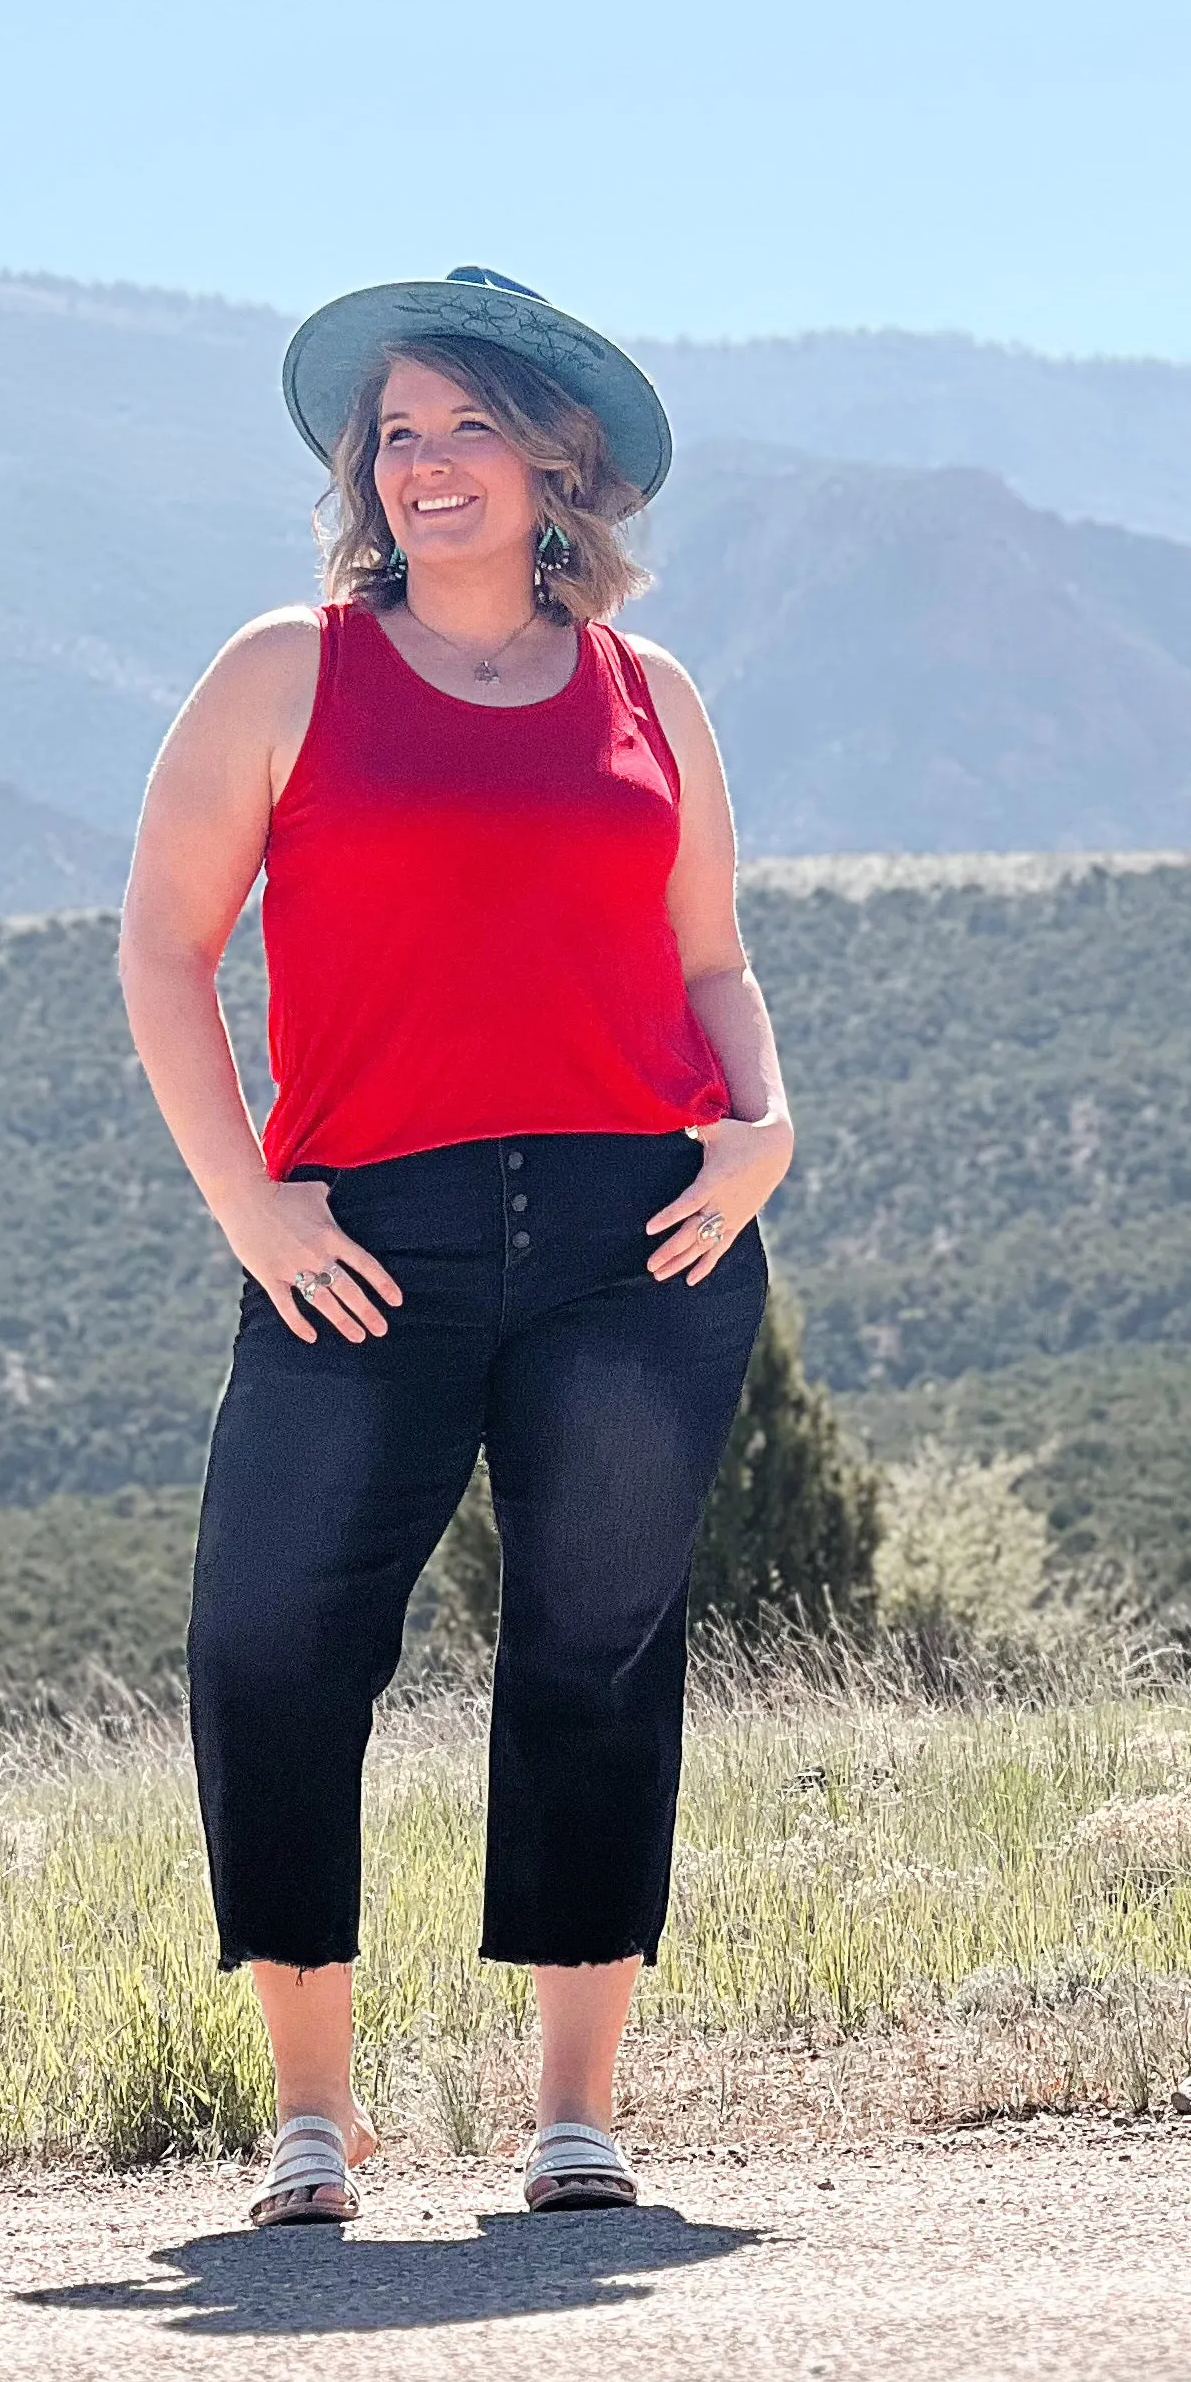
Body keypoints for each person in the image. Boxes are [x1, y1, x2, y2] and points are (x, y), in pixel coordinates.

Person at [119, 267, 795, 2225]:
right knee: (272, 1640)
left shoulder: (649, 698)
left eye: (464, 427)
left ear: (559, 464)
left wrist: (766, 1129)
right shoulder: (284, 671)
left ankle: (574, 2113)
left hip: (635, 1228)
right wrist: (250, 1203)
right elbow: (164, 949)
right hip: (362, 1235)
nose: (423, 465)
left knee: (595, 1647)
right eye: (393, 433)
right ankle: (312, 2123)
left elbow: (713, 960)